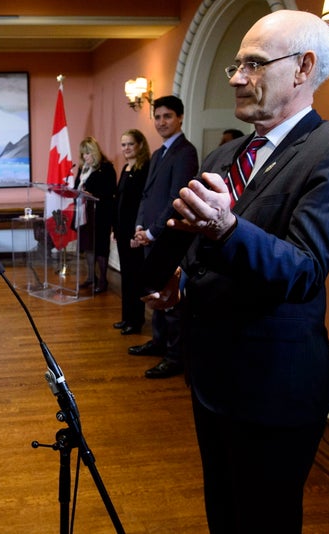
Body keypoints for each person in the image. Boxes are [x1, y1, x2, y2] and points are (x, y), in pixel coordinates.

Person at [144, 10, 329, 533]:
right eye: (235, 64)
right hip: (211, 378)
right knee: (223, 515)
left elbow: (303, 270)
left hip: (275, 388)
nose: (234, 77)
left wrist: (224, 227)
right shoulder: (227, 152)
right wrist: (176, 271)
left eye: (253, 63)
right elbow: (201, 247)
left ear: (303, 68)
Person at [128, 95, 199, 379]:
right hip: (150, 235)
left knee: (171, 300)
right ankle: (158, 342)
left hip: (169, 237)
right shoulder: (158, 154)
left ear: (180, 118)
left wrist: (153, 231)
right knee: (154, 293)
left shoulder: (186, 152)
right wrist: (139, 226)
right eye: (157, 117)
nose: (161, 122)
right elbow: (146, 196)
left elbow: (176, 198)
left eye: (167, 116)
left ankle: (174, 356)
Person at [112, 129, 150, 335]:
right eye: (123, 145)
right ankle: (126, 317)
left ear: (140, 145)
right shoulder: (126, 168)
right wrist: (115, 228)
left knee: (135, 278)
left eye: (130, 144)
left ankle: (136, 321)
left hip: (134, 231)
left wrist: (138, 232)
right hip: (122, 230)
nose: (126, 148)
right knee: (126, 276)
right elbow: (119, 201)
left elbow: (141, 205)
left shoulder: (145, 169)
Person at [73, 136, 117, 294]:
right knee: (88, 247)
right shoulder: (83, 168)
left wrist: (91, 194)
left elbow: (110, 191)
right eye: (83, 154)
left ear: (95, 152)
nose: (85, 157)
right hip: (85, 214)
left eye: (88, 153)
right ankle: (91, 277)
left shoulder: (106, 168)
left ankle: (103, 280)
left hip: (100, 215)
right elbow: (76, 186)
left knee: (100, 248)